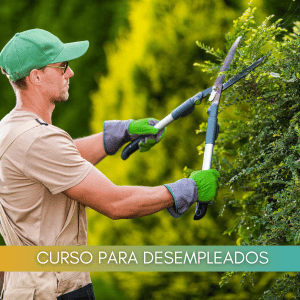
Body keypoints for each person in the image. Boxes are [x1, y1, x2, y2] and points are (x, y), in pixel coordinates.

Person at [0, 29, 219, 300]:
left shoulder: (13, 130)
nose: (70, 73)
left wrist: (117, 134)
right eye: (62, 67)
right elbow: (116, 203)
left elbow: (62, 160)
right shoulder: (37, 139)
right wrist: (186, 190)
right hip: (53, 290)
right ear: (36, 76)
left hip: (36, 285)